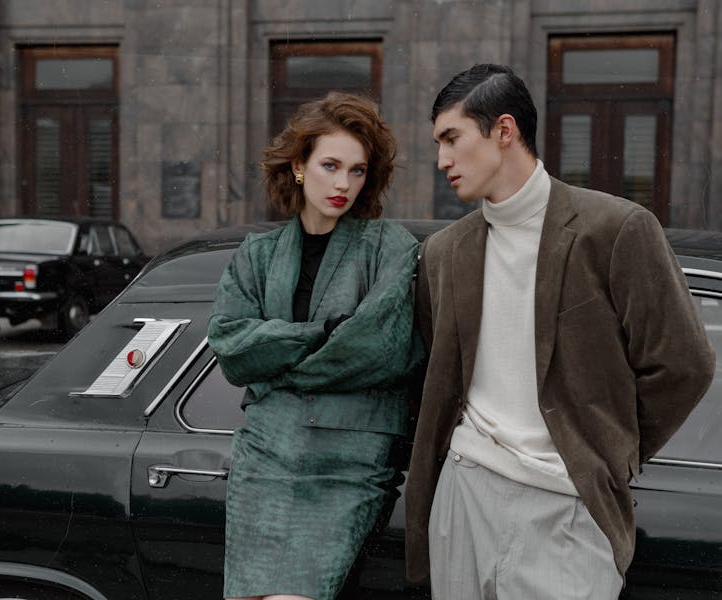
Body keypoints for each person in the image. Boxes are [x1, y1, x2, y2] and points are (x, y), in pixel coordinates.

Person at [404, 63, 716, 599]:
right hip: (464, 493)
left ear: (504, 131)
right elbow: (440, 370)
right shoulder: (443, 253)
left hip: (566, 505)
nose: (442, 161)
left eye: (452, 138)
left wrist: (605, 449)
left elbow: (683, 364)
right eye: (438, 143)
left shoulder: (615, 229)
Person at [208, 91, 423, 600]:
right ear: (300, 166)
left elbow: (382, 350)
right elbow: (231, 348)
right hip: (265, 454)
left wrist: (277, 362)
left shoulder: (391, 246)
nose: (344, 183)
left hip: (352, 457)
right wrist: (323, 333)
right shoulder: (257, 255)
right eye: (331, 165)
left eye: (358, 170)